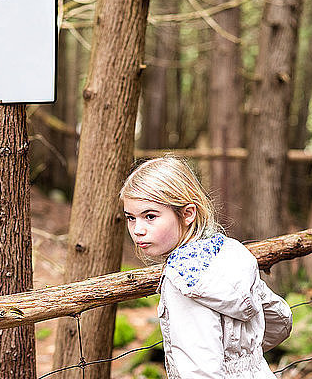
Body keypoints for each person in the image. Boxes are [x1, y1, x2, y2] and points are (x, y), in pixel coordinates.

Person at [120, 156, 292, 379]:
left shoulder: (182, 281)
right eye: (131, 218)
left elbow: (200, 372)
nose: (137, 230)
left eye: (150, 216)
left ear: (188, 213)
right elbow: (280, 319)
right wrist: (243, 359)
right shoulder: (231, 253)